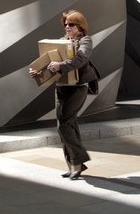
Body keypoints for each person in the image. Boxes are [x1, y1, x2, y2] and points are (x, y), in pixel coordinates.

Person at [29, 10, 97, 180]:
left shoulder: (85, 40)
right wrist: (37, 71)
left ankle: (78, 161)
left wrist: (61, 65)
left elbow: (81, 59)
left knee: (64, 124)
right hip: (61, 87)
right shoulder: (60, 42)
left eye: (71, 24)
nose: (67, 27)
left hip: (78, 88)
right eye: (65, 24)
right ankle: (74, 165)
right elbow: (49, 61)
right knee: (67, 123)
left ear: (79, 25)